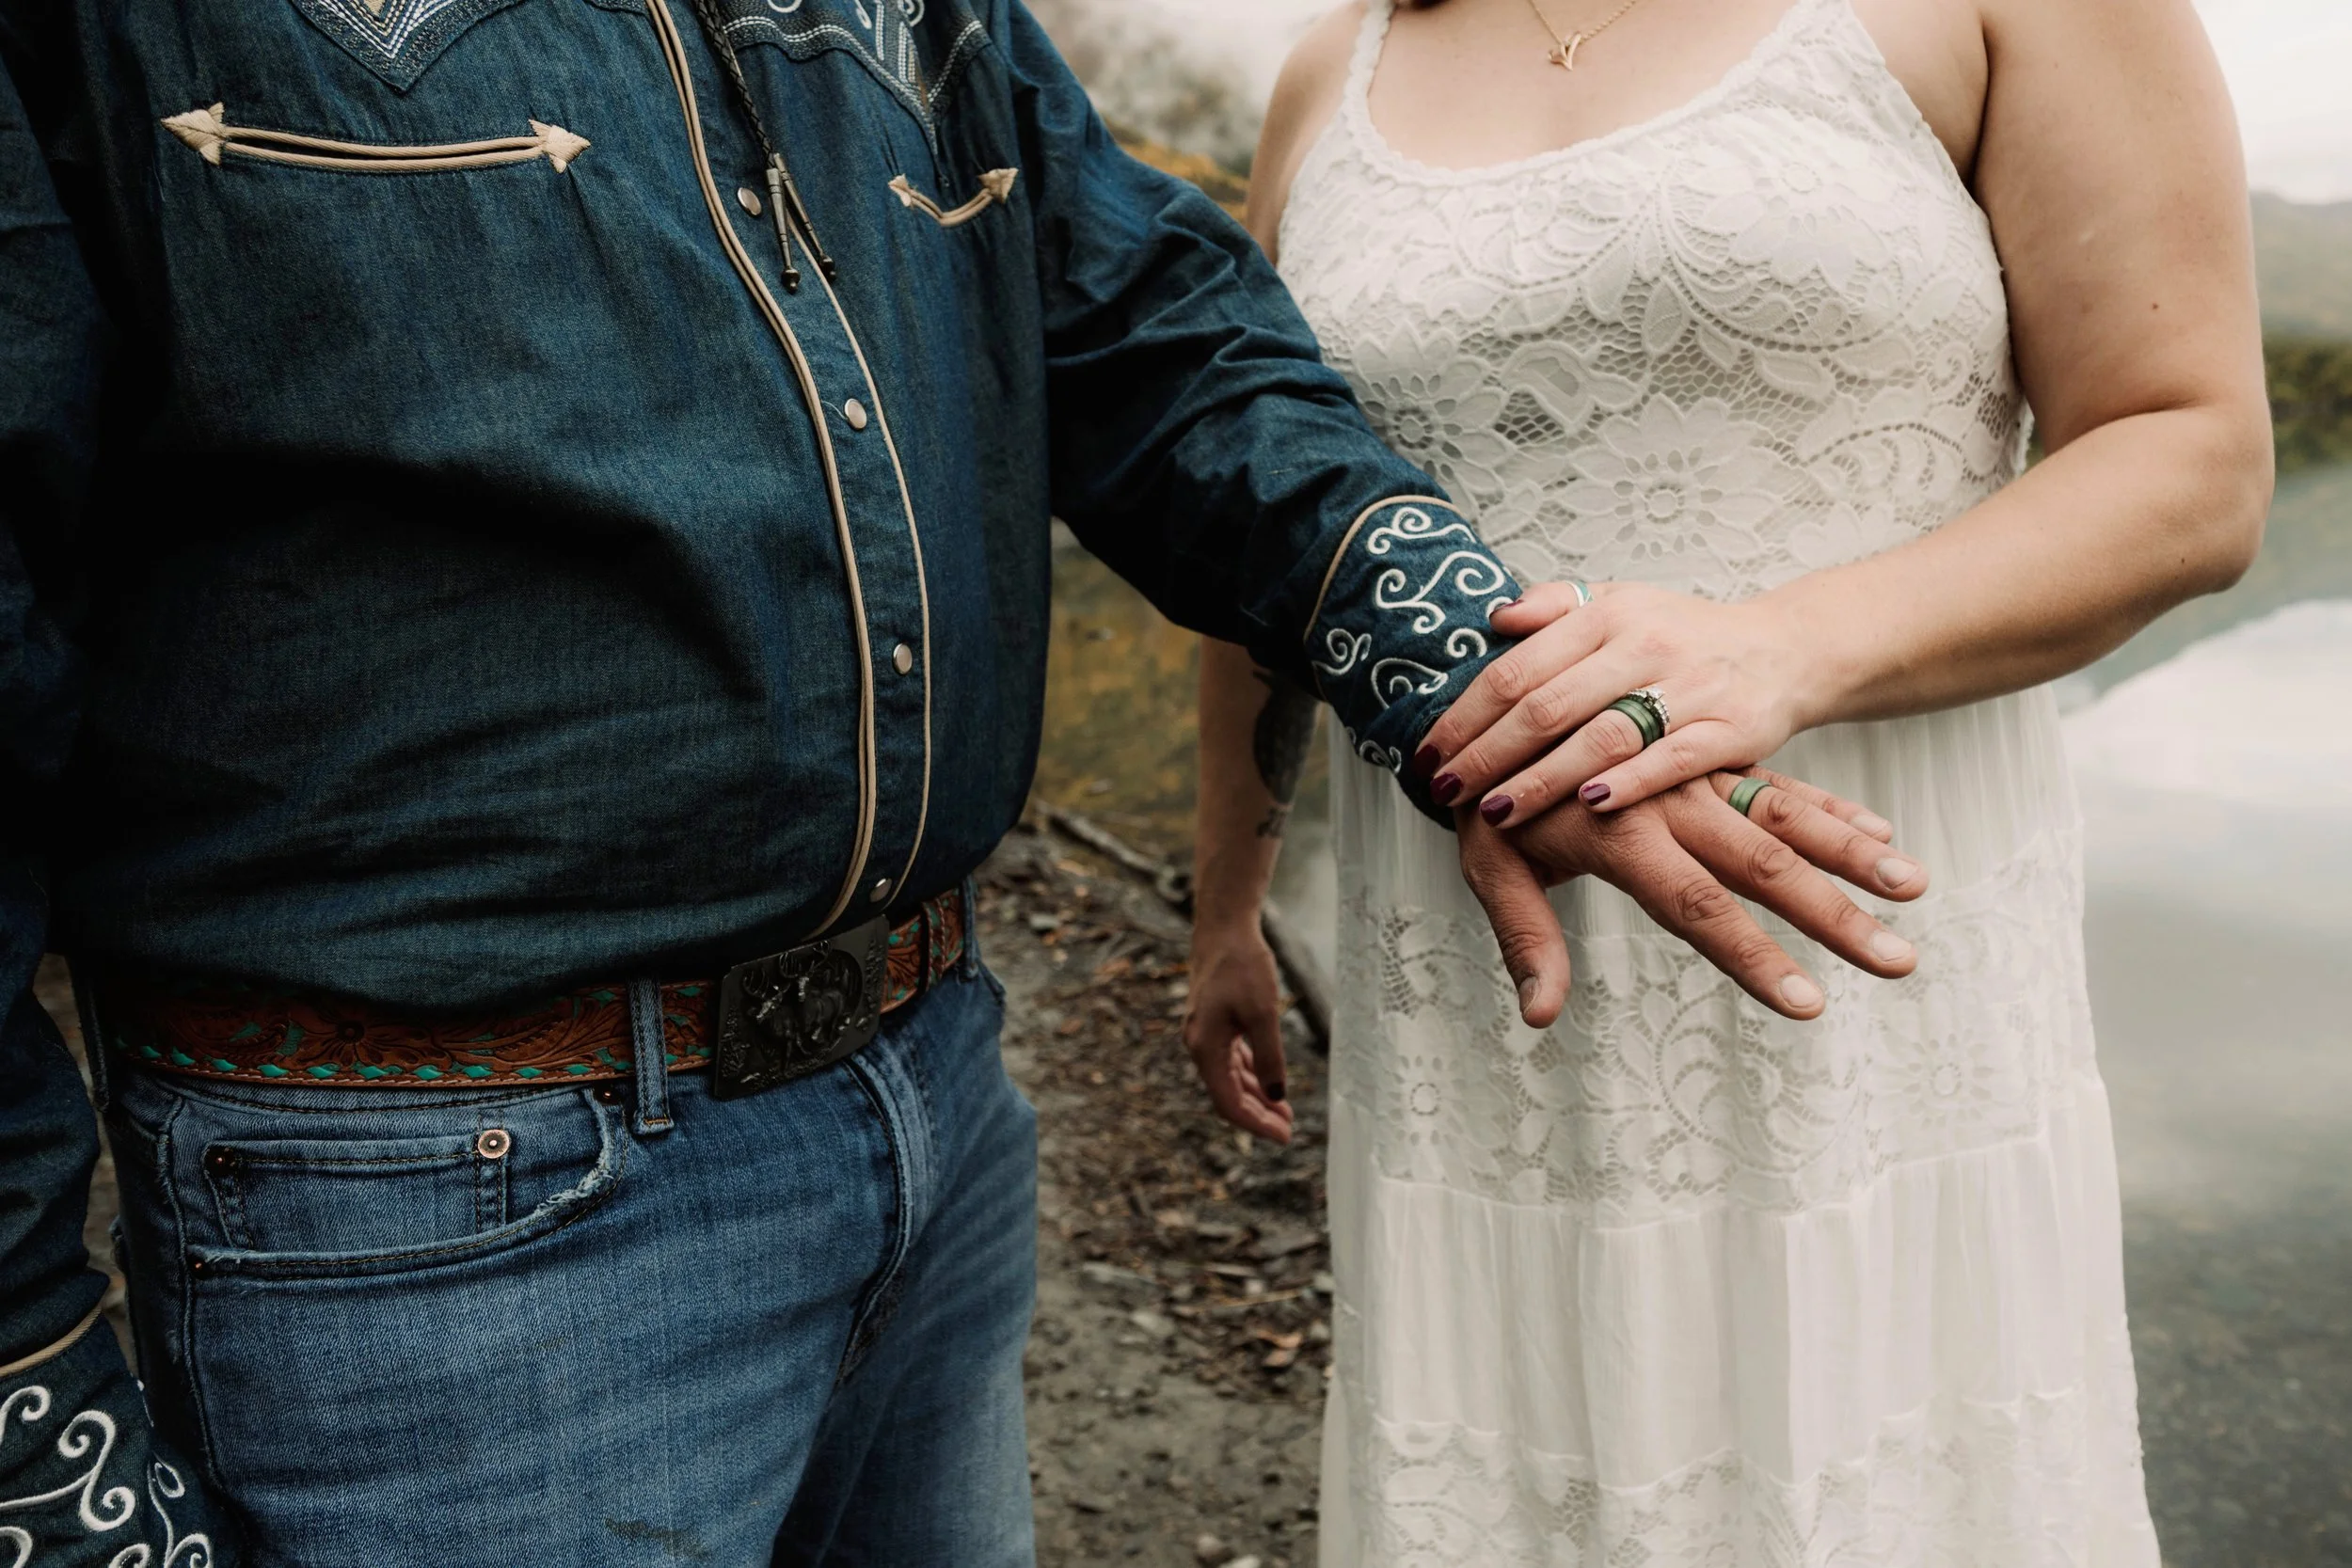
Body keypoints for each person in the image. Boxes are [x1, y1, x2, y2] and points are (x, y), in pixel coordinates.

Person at [0, 0, 1921, 1561]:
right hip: (434, 1210)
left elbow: (1149, 342)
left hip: (932, 1106)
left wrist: (1467, 682)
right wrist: (30, 1399)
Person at [1186, 0, 2273, 1560]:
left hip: (1866, 979)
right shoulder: (1325, 76)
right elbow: (1270, 537)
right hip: (1478, 1014)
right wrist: (1227, 905)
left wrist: (1787, 647)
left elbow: (2195, 457)